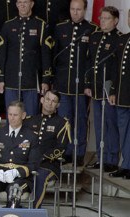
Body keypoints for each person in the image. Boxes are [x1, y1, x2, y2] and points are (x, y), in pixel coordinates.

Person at [52, 0, 98, 166]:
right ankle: (64, 152)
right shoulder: (60, 28)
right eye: (72, 9)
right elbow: (55, 56)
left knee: (80, 120)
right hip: (63, 83)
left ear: (85, 9)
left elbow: (92, 60)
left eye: (78, 9)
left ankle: (78, 153)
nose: (75, 13)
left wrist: (88, 83)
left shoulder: (92, 29)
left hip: (81, 87)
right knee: (64, 120)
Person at [0, 0, 53, 117]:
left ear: (32, 4)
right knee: (12, 117)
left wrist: (46, 80)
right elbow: (2, 54)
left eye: (26, 2)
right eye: (20, 2)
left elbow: (46, 55)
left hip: (32, 80)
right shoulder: (8, 25)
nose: (22, 5)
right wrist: (1, 78)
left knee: (31, 117)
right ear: (16, 5)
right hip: (11, 80)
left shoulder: (40, 25)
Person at [0, 101, 41, 208]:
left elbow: (33, 163)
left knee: (14, 192)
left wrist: (16, 172)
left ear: (23, 115)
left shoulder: (31, 136)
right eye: (10, 114)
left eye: (15, 115)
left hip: (21, 177)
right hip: (0, 173)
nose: (12, 118)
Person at [84, 6, 123, 173]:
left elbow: (117, 68)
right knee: (99, 124)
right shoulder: (95, 37)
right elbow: (89, 62)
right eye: (102, 18)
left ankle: (111, 159)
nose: (103, 21)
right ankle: (101, 158)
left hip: (109, 86)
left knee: (110, 125)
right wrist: (87, 84)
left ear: (115, 21)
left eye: (107, 18)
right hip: (95, 86)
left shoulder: (119, 39)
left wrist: (113, 90)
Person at [22, 90, 71, 208]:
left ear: (58, 105)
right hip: (28, 163)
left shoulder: (62, 123)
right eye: (48, 99)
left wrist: (42, 157)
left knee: (40, 176)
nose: (50, 103)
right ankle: (14, 208)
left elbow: (61, 148)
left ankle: (35, 210)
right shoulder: (29, 120)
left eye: (54, 101)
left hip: (49, 165)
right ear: (42, 100)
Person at [108, 9, 130, 179]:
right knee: (123, 131)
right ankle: (126, 164)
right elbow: (116, 70)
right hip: (123, 95)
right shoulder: (123, 39)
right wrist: (113, 91)